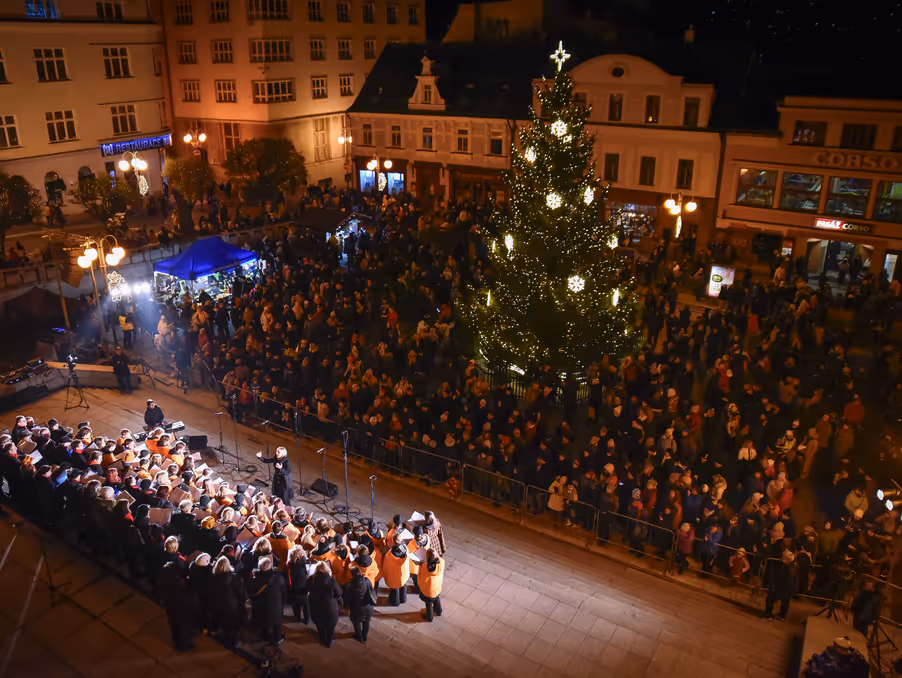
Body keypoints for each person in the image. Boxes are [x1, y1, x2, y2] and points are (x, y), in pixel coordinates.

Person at [209, 555, 246, 650]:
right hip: (233, 605)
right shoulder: (235, 578)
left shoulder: (213, 578)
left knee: (225, 624)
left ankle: (227, 641)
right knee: (235, 625)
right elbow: (241, 593)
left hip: (219, 605)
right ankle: (235, 642)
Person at [158, 560, 194, 651]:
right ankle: (182, 645)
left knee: (175, 625)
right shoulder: (178, 586)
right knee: (182, 627)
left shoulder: (164, 582)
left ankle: (177, 640)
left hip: (171, 609)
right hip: (180, 610)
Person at [249, 556, 285, 645]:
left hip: (259, 605)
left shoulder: (255, 578)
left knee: (262, 619)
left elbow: (251, 591)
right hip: (274, 605)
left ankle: (264, 635)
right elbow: (283, 588)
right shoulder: (277, 577)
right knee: (277, 622)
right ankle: (277, 638)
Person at [308, 561, 342, 648]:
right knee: (330, 626)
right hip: (329, 607)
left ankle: (322, 638)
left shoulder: (312, 579)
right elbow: (339, 593)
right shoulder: (332, 581)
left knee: (319, 624)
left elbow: (306, 589)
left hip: (316, 606)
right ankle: (329, 641)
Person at [343, 564, 376, 643]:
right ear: (360, 573)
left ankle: (358, 636)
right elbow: (372, 590)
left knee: (356, 622)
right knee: (366, 621)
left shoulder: (349, 586)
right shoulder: (367, 581)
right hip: (367, 606)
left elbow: (347, 598)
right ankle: (364, 637)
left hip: (356, 608)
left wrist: (346, 606)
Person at [764, 550, 797, 621]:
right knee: (785, 602)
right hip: (787, 588)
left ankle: (768, 614)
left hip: (779, 587)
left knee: (771, 600)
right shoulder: (793, 567)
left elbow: (777, 576)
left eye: (783, 556)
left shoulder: (781, 566)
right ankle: (782, 616)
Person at [382, 533, 411, 606]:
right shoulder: (405, 548)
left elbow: (387, 565)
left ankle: (395, 602)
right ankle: (403, 599)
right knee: (403, 585)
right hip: (404, 573)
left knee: (395, 589)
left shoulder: (390, 555)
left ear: (393, 541)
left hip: (395, 576)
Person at [286, 545, 311, 624]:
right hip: (303, 586)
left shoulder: (289, 563)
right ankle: (307, 619)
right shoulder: (306, 561)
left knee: (295, 603)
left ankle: (297, 617)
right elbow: (308, 573)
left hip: (293, 586)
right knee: (306, 604)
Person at [418, 547, 444, 622]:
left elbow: (421, 577)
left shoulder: (425, 568)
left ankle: (429, 617)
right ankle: (439, 611)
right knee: (437, 599)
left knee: (428, 604)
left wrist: (420, 566)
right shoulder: (441, 562)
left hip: (428, 591)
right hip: (437, 587)